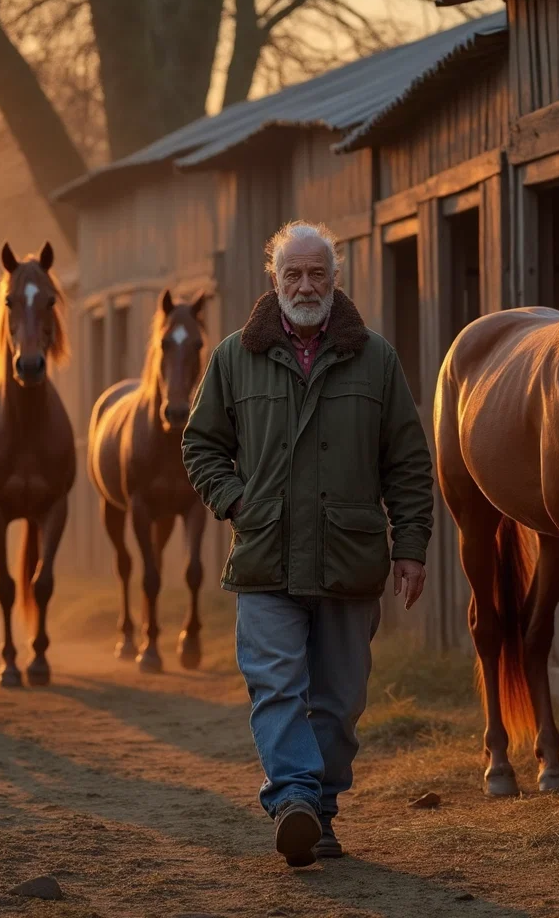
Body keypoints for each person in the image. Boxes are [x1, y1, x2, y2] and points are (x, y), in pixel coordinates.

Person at [182, 220, 434, 867]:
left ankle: (318, 811)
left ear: (335, 280)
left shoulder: (374, 358)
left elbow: (407, 460)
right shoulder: (233, 357)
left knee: (340, 702)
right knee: (275, 686)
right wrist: (236, 501)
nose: (304, 285)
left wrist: (411, 546)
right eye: (292, 273)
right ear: (274, 279)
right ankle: (293, 798)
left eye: (316, 273)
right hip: (265, 557)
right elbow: (200, 444)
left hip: (350, 560)